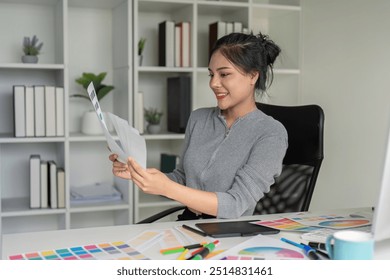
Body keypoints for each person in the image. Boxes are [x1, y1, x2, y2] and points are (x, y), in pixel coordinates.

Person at [109, 32, 288, 220]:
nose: (213, 83)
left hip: (230, 234)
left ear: (253, 76)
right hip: (189, 223)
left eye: (224, 74)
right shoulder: (198, 118)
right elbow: (183, 179)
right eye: (211, 74)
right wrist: (140, 174)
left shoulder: (271, 133)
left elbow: (236, 204)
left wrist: (168, 188)